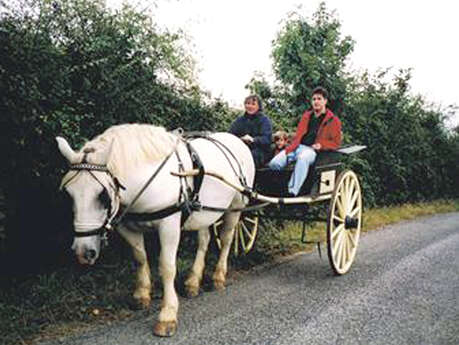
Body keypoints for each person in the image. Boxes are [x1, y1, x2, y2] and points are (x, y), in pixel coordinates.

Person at [268, 87, 342, 196]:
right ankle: (279, 190)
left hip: (312, 151)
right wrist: (291, 145)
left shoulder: (333, 120)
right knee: (274, 163)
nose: (316, 101)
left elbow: (336, 143)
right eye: (314, 99)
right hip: (297, 147)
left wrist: (321, 145)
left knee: (303, 159)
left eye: (319, 99)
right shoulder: (306, 116)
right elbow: (298, 135)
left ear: (325, 101)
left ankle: (292, 192)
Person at [229, 95, 272, 167]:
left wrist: (253, 140)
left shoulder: (264, 120)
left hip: (259, 151)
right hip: (241, 148)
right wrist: (240, 139)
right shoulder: (239, 120)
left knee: (249, 156)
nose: (250, 106)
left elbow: (267, 139)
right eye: (248, 103)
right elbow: (231, 135)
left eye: (253, 104)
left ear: (259, 106)